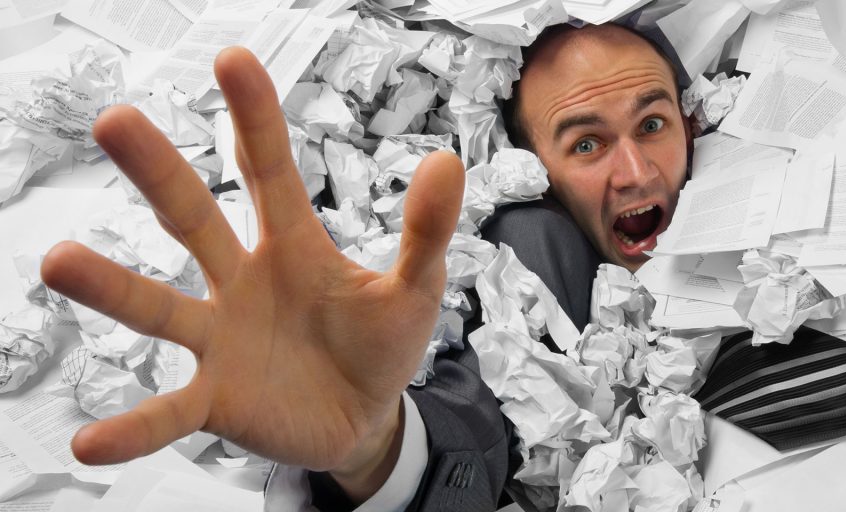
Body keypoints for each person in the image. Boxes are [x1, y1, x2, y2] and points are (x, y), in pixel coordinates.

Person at [38, 23, 691, 511]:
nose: (636, 173)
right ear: (532, 167)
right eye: (586, 143)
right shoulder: (540, 238)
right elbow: (479, 417)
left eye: (652, 124)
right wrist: (375, 449)